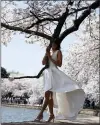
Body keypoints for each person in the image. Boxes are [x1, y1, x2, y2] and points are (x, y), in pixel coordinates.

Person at [34, 41, 85, 122]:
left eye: (55, 44)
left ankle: (40, 114)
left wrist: (50, 57)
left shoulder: (58, 52)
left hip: (54, 73)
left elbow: (59, 64)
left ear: (57, 45)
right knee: (49, 96)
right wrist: (46, 54)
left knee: (47, 94)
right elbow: (43, 63)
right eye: (52, 44)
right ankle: (51, 115)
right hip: (47, 73)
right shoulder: (49, 52)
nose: (53, 45)